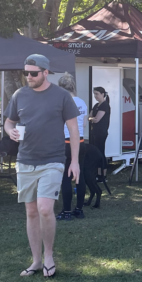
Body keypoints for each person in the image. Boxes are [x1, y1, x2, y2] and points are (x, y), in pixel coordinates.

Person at [4, 54, 80, 278]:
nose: (29, 76)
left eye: (33, 73)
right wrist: (11, 132)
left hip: (53, 160)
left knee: (45, 209)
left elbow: (74, 130)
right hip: (25, 160)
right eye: (26, 72)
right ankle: (36, 260)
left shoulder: (62, 96)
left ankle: (49, 256)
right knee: (31, 212)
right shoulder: (19, 95)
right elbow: (9, 122)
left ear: (46, 73)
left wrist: (74, 161)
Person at [56, 73, 89, 221]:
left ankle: (66, 211)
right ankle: (79, 209)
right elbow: (83, 124)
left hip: (66, 143)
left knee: (65, 178)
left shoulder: (60, 101)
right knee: (79, 176)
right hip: (81, 142)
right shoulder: (82, 102)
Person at [88, 87, 111, 163]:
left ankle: (103, 171)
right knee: (94, 151)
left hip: (101, 132)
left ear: (102, 94)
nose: (95, 96)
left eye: (97, 94)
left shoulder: (104, 105)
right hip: (94, 132)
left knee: (100, 151)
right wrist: (92, 119)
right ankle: (97, 170)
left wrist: (91, 119)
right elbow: (89, 117)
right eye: (94, 94)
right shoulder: (96, 105)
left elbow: (96, 119)